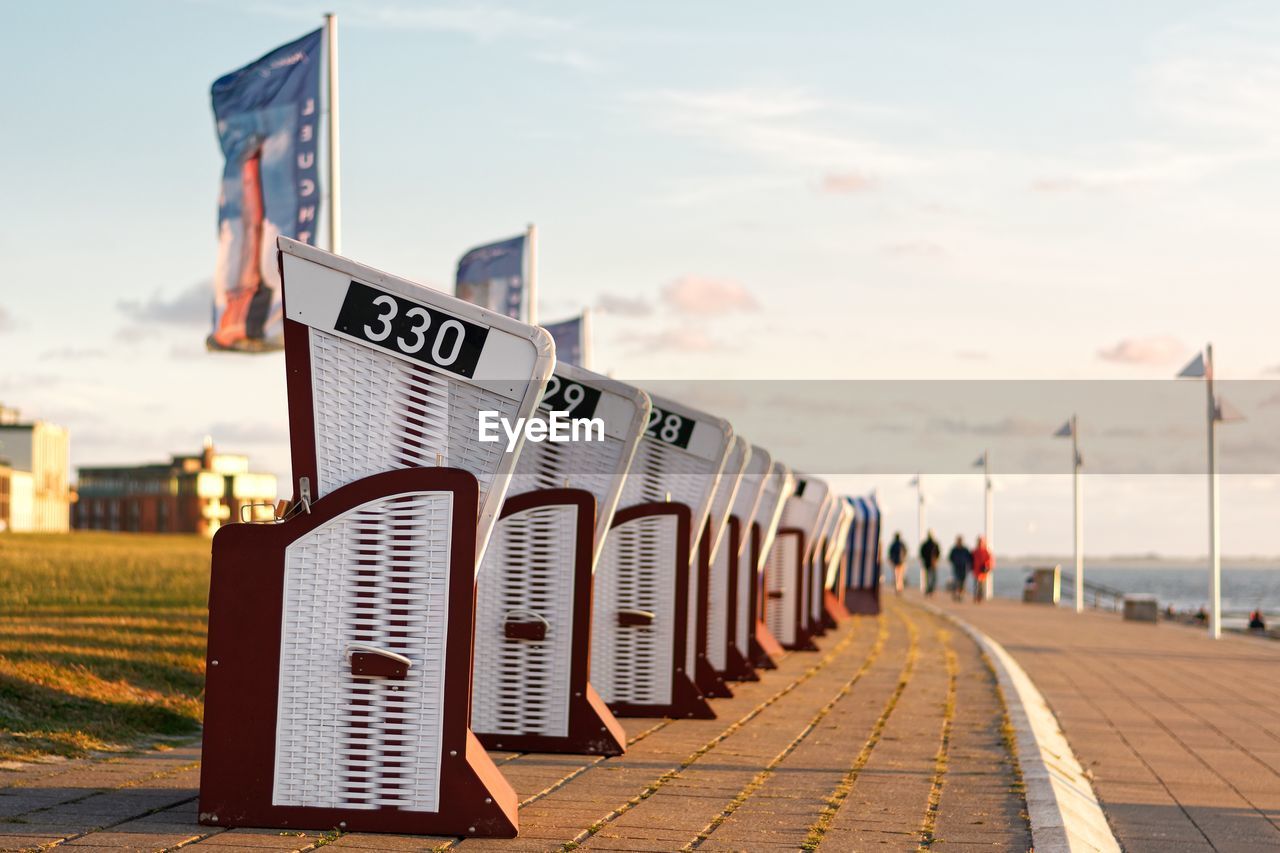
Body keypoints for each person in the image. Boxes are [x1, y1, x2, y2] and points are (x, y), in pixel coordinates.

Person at [948, 536, 971, 602]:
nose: (959, 542)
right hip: (956, 568)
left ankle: (960, 595)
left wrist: (968, 565)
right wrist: (954, 562)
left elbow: (969, 558)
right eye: (958, 540)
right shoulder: (954, 549)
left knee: (963, 582)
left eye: (960, 540)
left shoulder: (965, 549)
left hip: (964, 568)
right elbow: (950, 558)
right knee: (956, 581)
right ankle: (955, 594)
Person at [919, 531, 941, 596]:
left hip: (928, 563)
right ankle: (930, 589)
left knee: (928, 577)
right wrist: (935, 559)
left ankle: (929, 589)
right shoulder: (934, 544)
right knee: (932, 577)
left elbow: (922, 553)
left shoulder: (926, 544)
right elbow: (938, 553)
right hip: (932, 563)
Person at [972, 536, 993, 603]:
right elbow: (971, 560)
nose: (980, 543)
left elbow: (990, 560)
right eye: (979, 542)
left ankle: (979, 597)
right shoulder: (975, 551)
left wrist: (987, 567)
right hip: (976, 570)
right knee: (976, 584)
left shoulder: (986, 551)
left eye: (981, 542)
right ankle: (976, 597)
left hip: (983, 571)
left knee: (981, 585)